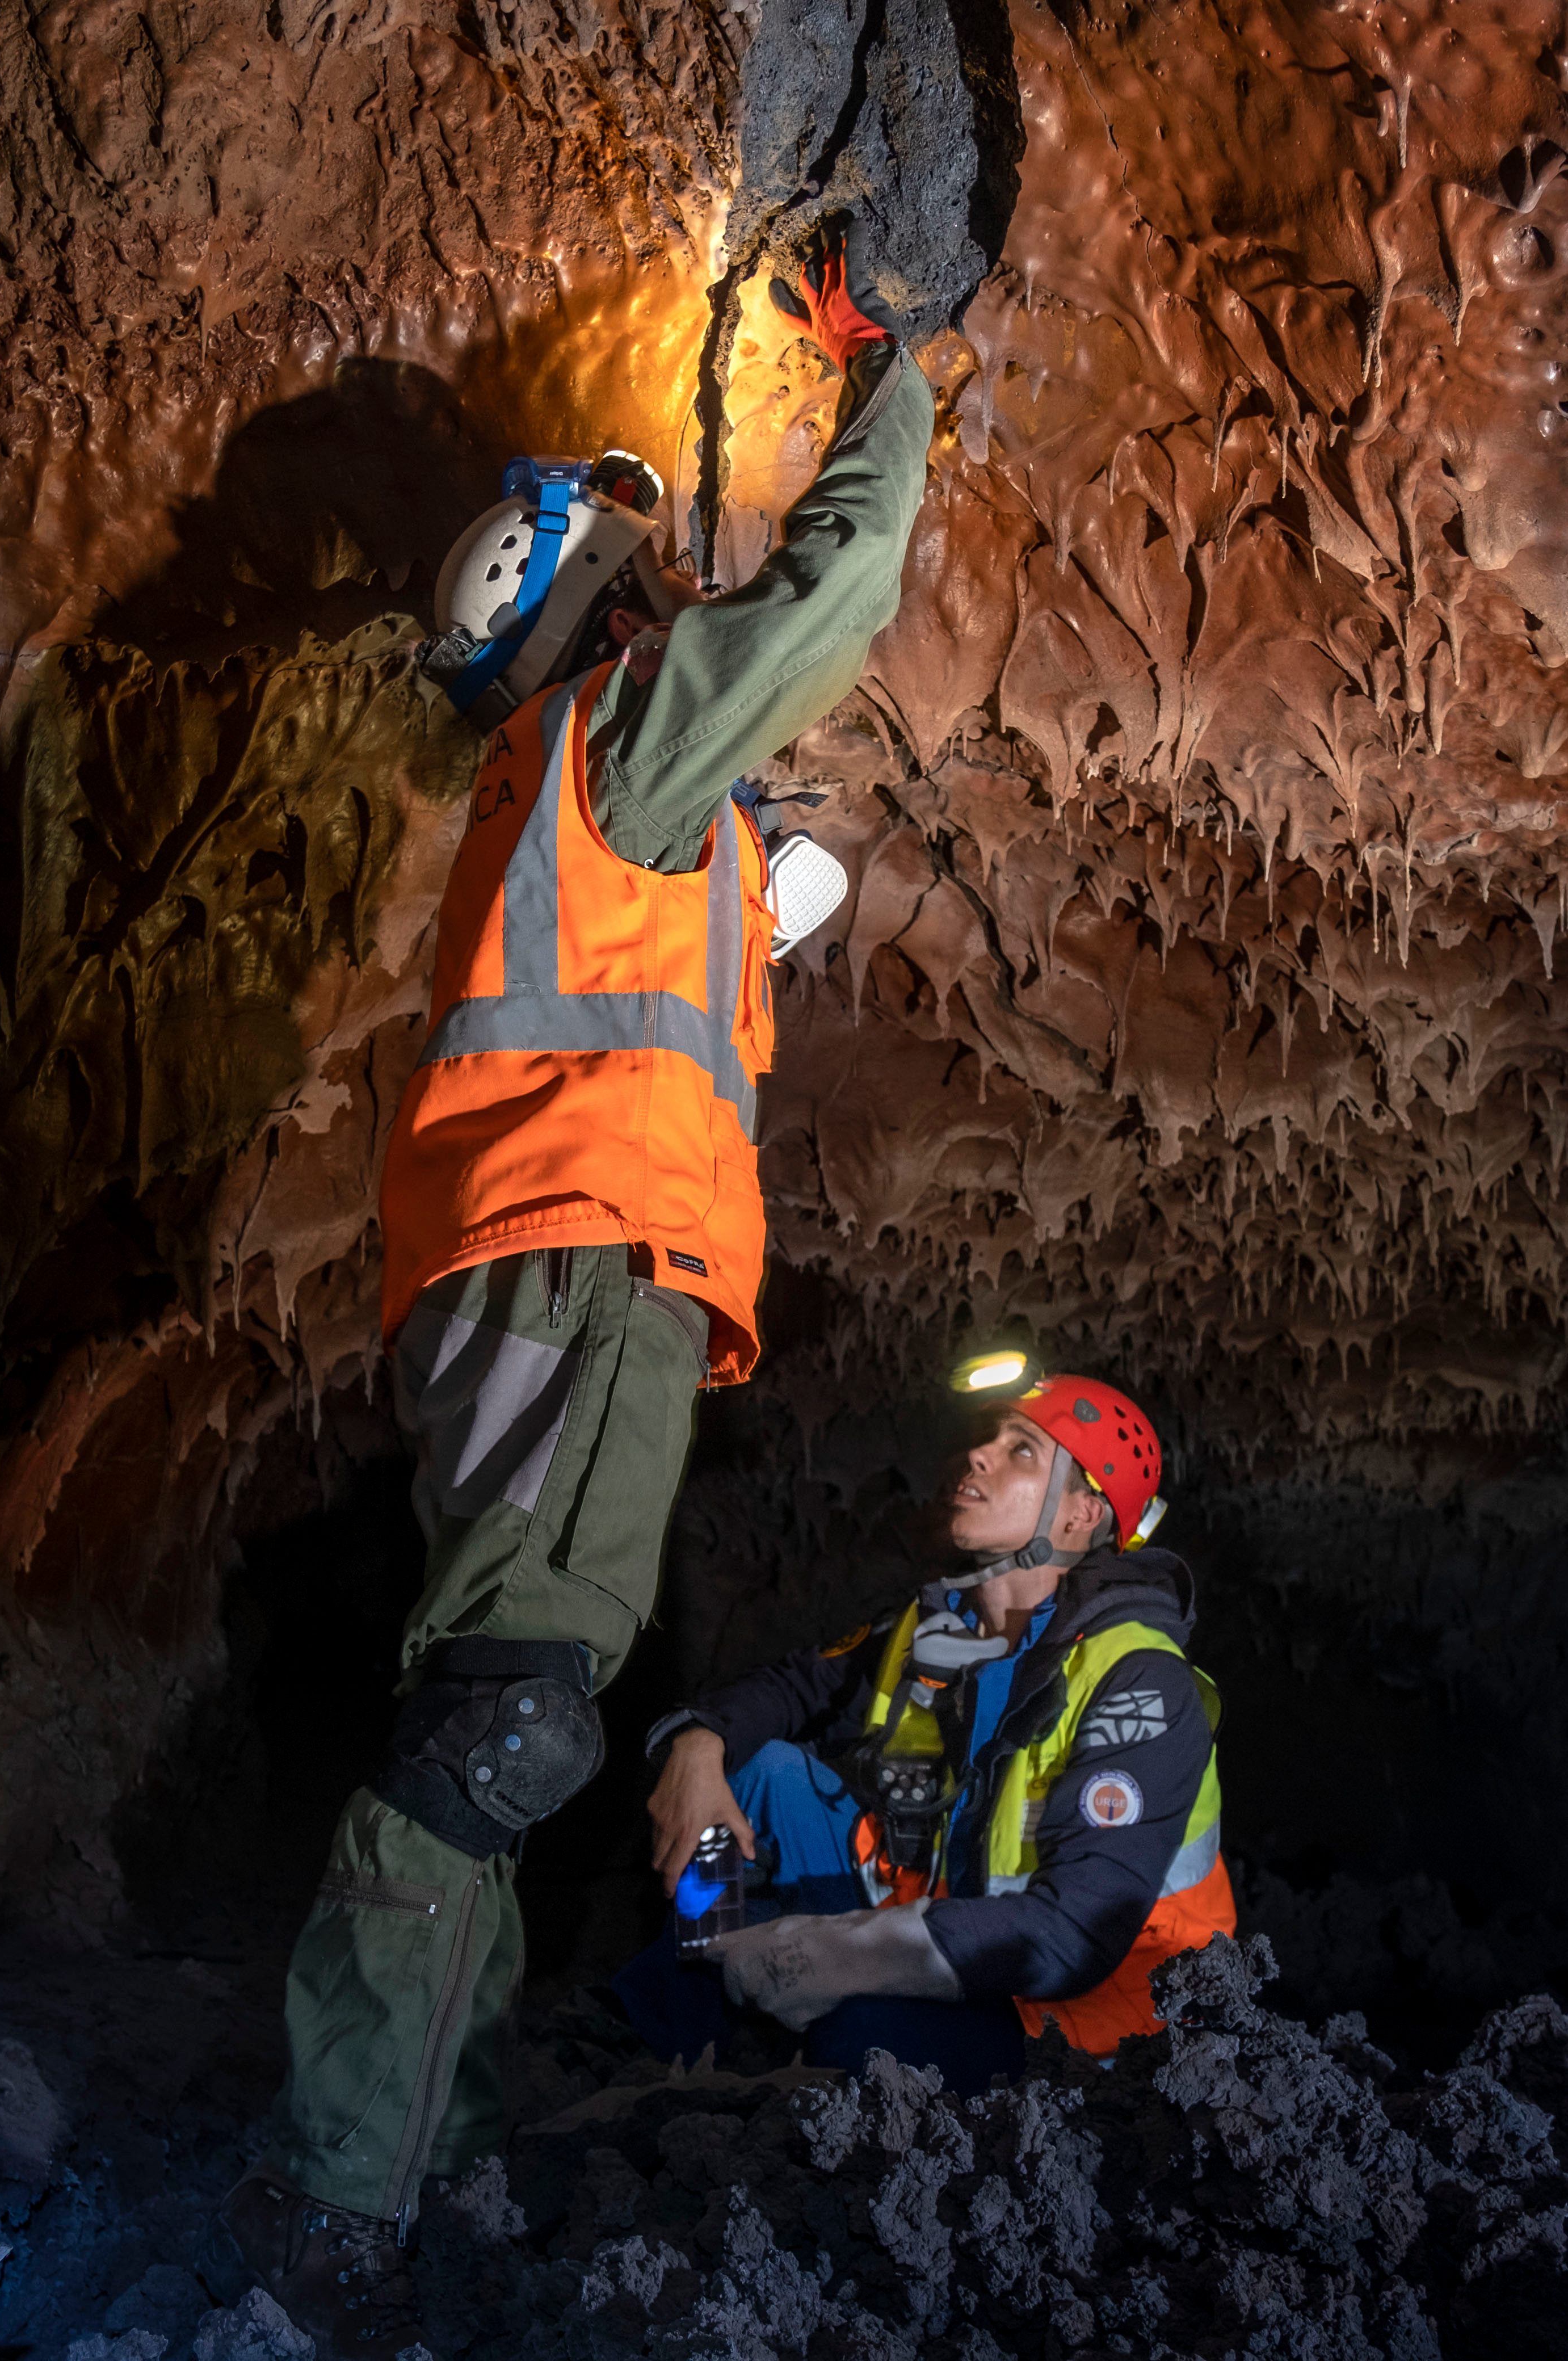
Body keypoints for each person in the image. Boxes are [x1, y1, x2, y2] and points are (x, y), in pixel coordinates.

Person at [205, 222, 935, 2356]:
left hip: (531, 1274)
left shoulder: (579, 799)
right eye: (630, 560)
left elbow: (646, 991)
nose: (658, 573)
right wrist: (888, 377)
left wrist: (755, 900)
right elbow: (841, 587)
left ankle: (440, 2133)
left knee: (507, 1700)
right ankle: (346, 2184)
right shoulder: (620, 740)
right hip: (570, 1267)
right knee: (501, 1725)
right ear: (588, 605)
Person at [615, 1367, 1235, 2095]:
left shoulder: (1136, 1679)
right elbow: (789, 1687)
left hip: (1078, 2027)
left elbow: (1070, 1937)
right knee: (760, 1775)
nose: (980, 1455)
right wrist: (698, 1746)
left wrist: (832, 1954)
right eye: (989, 1438)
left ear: (1078, 1516)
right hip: (936, 1926)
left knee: (862, 2040)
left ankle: (780, 2072)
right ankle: (672, 2040)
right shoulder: (938, 1627)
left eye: (1022, 1451)